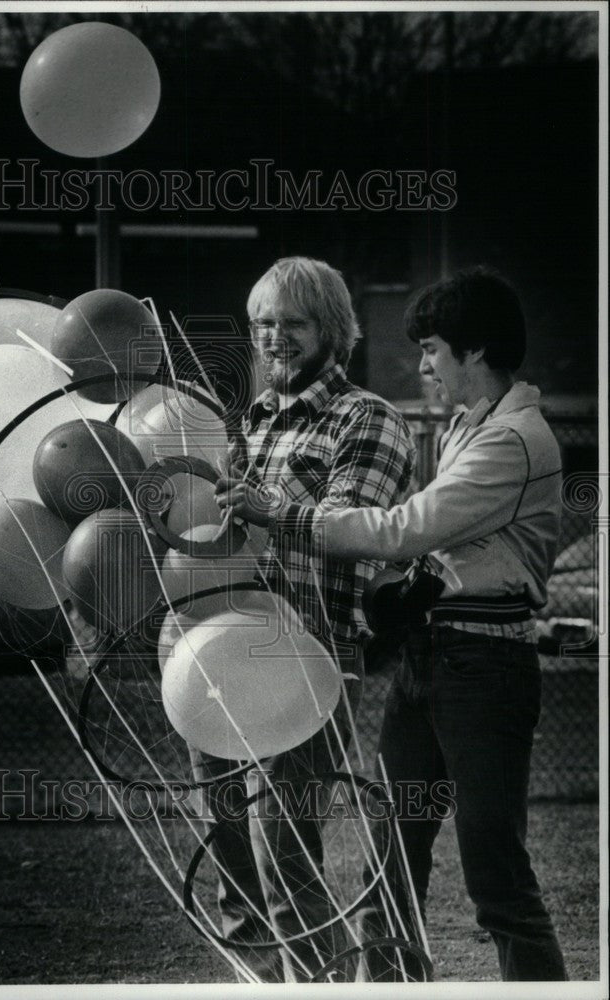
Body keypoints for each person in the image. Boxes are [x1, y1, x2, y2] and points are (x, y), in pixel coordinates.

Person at [217, 265, 568, 982]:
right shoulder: (473, 428)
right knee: (391, 858)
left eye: (432, 349)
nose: (421, 365)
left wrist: (279, 514)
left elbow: (405, 528)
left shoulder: (512, 441)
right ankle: (383, 990)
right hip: (430, 659)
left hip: (484, 668)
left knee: (492, 870)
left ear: (473, 352)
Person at [202, 256, 415, 982]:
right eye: (262, 323)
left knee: (282, 843)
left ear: (332, 329)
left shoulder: (368, 418)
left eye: (291, 323)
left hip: (310, 653)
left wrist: (266, 510)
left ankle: (313, 988)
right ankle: (260, 982)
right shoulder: (245, 421)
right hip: (217, 648)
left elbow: (351, 525)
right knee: (225, 836)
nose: (273, 338)